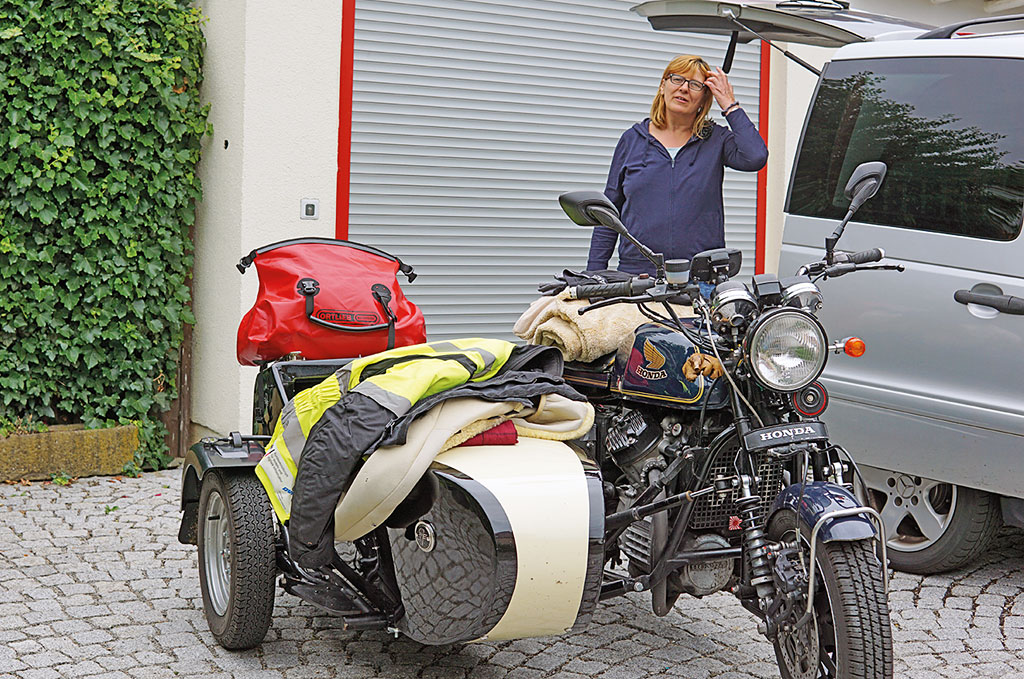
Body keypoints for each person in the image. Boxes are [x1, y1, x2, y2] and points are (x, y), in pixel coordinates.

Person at [586, 55, 768, 286]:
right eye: (677, 79)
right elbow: (607, 214)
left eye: (695, 85)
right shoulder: (631, 140)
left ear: (704, 98)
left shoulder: (716, 140)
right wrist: (593, 277)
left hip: (700, 281)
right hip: (638, 279)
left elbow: (756, 156)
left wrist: (729, 104)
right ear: (663, 86)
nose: (684, 88)